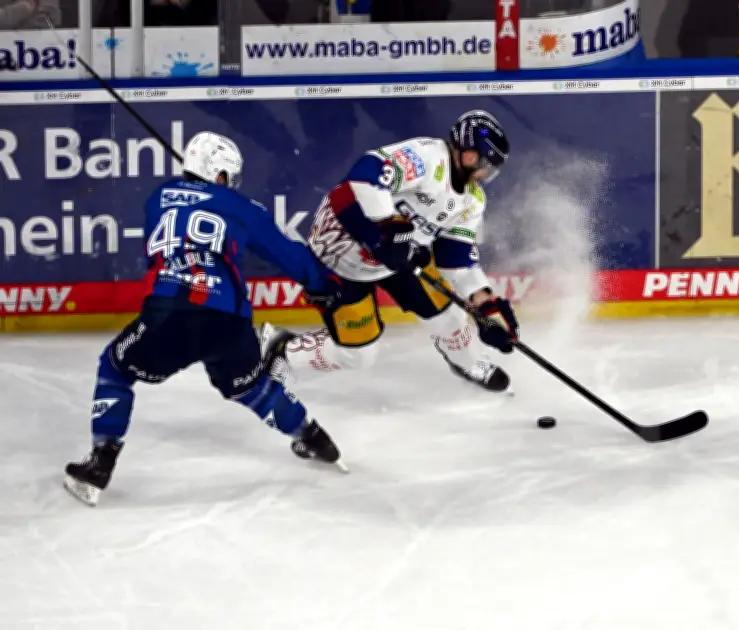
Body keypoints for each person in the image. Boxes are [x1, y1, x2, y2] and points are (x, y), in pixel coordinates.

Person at [64, 132, 345, 507]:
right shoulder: (242, 207)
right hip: (230, 320)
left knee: (115, 368)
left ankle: (100, 463)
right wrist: (329, 286)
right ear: (222, 175)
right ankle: (314, 438)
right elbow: (291, 257)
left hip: (170, 312)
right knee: (251, 387)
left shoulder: (157, 198)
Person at [263, 110, 520, 394]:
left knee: (451, 317)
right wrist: (385, 226)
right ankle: (281, 350)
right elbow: (366, 173)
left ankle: (466, 362)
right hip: (342, 248)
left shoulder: (472, 201)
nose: (486, 175)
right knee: (358, 355)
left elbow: (455, 256)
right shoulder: (427, 157)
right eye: (487, 166)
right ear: (470, 156)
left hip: (398, 255)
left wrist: (485, 305)